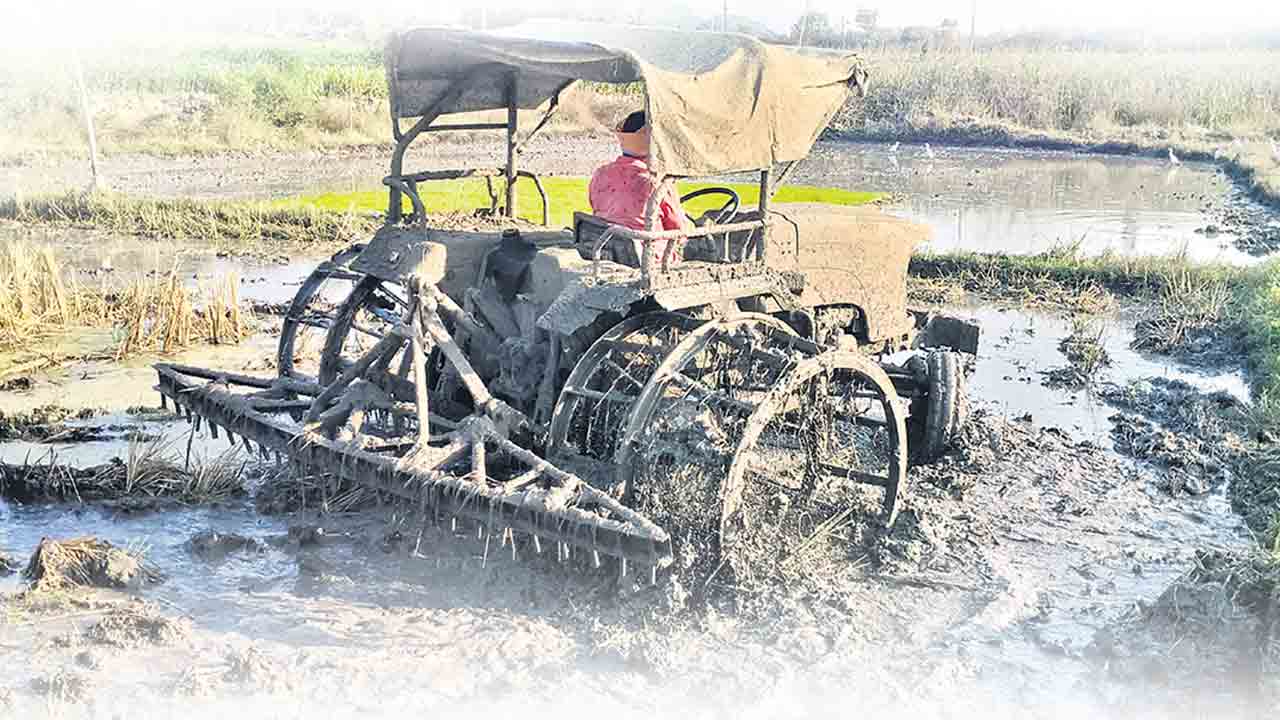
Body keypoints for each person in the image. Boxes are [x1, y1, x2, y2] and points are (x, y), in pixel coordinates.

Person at [587, 110, 690, 267]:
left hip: (605, 249)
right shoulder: (658, 183)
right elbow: (679, 233)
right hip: (651, 260)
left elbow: (598, 209)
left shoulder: (600, 174)